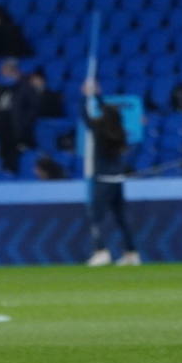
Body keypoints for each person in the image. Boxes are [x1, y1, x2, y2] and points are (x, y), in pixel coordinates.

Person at [81, 80, 139, 267]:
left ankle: (101, 251)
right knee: (121, 217)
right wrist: (97, 95)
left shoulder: (100, 132)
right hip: (117, 179)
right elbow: (104, 111)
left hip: (103, 179)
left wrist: (86, 96)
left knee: (95, 217)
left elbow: (85, 117)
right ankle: (131, 253)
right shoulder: (119, 132)